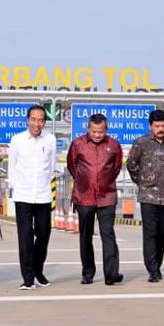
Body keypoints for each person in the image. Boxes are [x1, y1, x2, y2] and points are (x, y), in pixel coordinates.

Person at [67, 113, 124, 285]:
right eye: (94, 131)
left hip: (107, 196)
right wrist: (85, 182)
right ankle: (88, 272)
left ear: (106, 130)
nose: (97, 135)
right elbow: (72, 166)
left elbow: (116, 167)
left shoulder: (114, 145)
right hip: (84, 197)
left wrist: (103, 182)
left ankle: (111, 274)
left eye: (101, 131)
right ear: (88, 129)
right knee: (85, 237)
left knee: (108, 234)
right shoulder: (78, 144)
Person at [126, 109, 164, 283]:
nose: (160, 129)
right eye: (157, 126)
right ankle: (153, 269)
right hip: (148, 196)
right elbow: (131, 164)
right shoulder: (141, 143)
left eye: (163, 126)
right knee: (150, 233)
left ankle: (157, 262)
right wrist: (142, 182)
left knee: (163, 233)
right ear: (150, 126)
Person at [8, 105, 56, 290]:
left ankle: (37, 269)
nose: (37, 123)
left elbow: (51, 167)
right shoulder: (17, 140)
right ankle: (28, 278)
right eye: (34, 119)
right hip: (24, 195)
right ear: (28, 120)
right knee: (25, 238)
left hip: (43, 196)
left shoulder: (50, 140)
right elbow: (12, 167)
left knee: (43, 234)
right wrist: (16, 188)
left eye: (41, 120)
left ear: (44, 122)